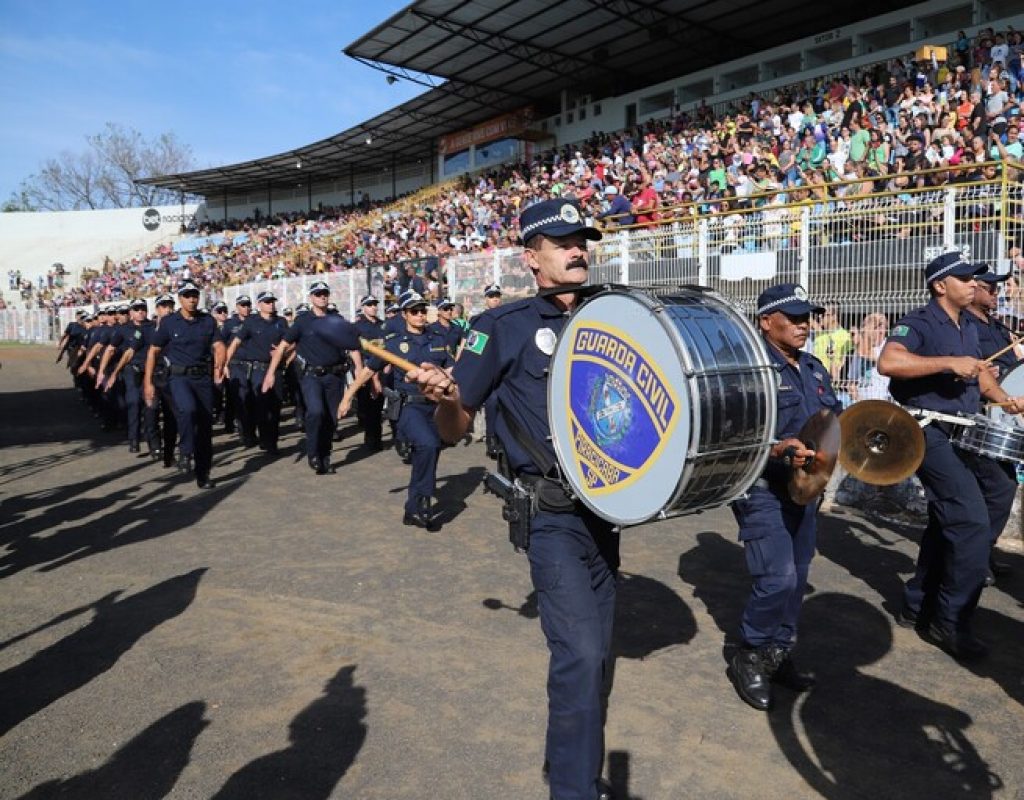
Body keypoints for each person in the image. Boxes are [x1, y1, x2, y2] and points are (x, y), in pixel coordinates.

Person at [405, 198, 616, 800]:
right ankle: (573, 791)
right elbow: (454, 428)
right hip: (550, 515)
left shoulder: (614, 314)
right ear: (532, 258)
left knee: (597, 658)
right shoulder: (501, 326)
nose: (578, 249)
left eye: (582, 240)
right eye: (562, 242)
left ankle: (575, 769)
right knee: (578, 654)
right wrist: (444, 396)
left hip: (609, 511)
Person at [878, 252, 1024, 660]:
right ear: (940, 285)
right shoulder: (920, 321)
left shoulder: (968, 327)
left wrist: (1005, 399)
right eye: (964, 279)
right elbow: (887, 362)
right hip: (926, 432)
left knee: (967, 511)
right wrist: (947, 362)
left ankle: (916, 603)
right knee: (971, 521)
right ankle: (950, 621)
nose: (973, 285)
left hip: (962, 430)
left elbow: (978, 373)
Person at [726, 283, 842, 713]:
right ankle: (749, 654)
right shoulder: (748, 369)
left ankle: (778, 652)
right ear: (765, 322)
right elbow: (734, 430)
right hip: (762, 487)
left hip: (806, 489)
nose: (803, 325)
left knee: (798, 573)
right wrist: (776, 448)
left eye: (806, 317)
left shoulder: (813, 367)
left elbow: (834, 416)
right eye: (792, 318)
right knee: (778, 578)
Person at [340, 292, 453, 530]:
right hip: (409, 406)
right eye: (414, 311)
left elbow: (450, 367)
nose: (420, 315)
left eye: (423, 310)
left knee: (429, 451)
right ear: (404, 314)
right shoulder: (392, 341)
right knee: (428, 444)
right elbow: (369, 371)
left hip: (434, 406)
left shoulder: (437, 337)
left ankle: (414, 506)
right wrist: (347, 397)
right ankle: (422, 502)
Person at [262, 280, 363, 474]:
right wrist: (270, 373)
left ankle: (325, 455)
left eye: (325, 293)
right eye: (318, 294)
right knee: (316, 412)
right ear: (311, 298)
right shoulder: (303, 321)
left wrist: (358, 368)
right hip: (311, 376)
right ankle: (313, 453)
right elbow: (283, 346)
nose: (322, 296)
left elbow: (353, 345)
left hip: (335, 375)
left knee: (331, 418)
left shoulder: (337, 319)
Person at [964, 266, 1019, 584]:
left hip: (1003, 416)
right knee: (996, 488)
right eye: (991, 289)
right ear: (974, 290)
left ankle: (981, 553)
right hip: (982, 416)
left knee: (1001, 486)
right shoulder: (967, 325)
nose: (997, 294)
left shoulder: (997, 327)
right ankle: (975, 556)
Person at [144, 281, 225, 489]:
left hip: (203, 379)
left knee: (205, 428)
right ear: (179, 298)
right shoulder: (170, 323)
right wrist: (148, 382)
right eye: (187, 295)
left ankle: (203, 473)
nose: (191, 299)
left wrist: (220, 364)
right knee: (187, 410)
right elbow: (153, 351)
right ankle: (185, 450)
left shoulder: (207, 321)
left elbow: (218, 345)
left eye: (194, 295)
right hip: (179, 377)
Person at [224, 290, 289, 456]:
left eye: (272, 301)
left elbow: (292, 341)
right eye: (267, 302)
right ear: (259, 305)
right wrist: (225, 364)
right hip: (258, 369)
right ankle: (264, 439)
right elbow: (235, 343)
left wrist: (284, 350)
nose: (271, 304)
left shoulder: (281, 322)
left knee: (275, 406)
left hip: (276, 369)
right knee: (260, 406)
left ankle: (272, 441)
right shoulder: (251, 322)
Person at [100, 299, 159, 456]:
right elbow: (110, 349)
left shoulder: (154, 327)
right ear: (131, 312)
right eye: (137, 309)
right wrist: (103, 371)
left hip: (151, 370)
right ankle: (133, 439)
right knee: (133, 402)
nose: (140, 311)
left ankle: (154, 443)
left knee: (151, 406)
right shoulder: (123, 329)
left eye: (143, 308)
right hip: (131, 370)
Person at [352, 295, 386, 451]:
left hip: (381, 368)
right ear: (363, 307)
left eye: (374, 304)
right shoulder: (357, 326)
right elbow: (354, 348)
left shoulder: (383, 325)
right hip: (366, 368)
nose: (373, 307)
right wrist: (359, 368)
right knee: (367, 404)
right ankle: (370, 438)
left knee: (378, 404)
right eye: (369, 304)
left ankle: (376, 439)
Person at [221, 296, 251, 438]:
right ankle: (244, 430)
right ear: (237, 307)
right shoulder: (229, 324)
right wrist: (223, 365)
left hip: (253, 364)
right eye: (243, 305)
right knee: (241, 397)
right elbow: (220, 344)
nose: (246, 308)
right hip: (235, 364)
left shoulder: (256, 321)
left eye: (248, 305)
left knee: (253, 397)